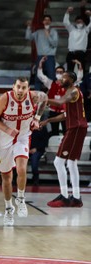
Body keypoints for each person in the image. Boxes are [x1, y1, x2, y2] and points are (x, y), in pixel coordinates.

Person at [0, 76, 47, 226]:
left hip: (23, 137)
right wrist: (8, 129)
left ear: (28, 89)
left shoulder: (34, 96)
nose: (21, 90)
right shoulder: (4, 99)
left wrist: (37, 118)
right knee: (6, 178)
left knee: (22, 169)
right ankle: (9, 209)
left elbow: (45, 98)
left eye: (24, 87)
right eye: (18, 87)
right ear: (13, 87)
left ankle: (21, 199)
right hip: (5, 140)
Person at [40, 71, 88, 208]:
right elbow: (66, 114)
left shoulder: (73, 92)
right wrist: (49, 119)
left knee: (58, 162)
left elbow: (60, 101)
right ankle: (76, 198)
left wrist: (43, 99)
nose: (61, 78)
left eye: (64, 76)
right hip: (78, 128)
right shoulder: (72, 93)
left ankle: (65, 196)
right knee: (71, 163)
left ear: (71, 80)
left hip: (76, 129)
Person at [37, 57, 83, 136]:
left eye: (61, 72)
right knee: (54, 131)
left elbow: (78, 78)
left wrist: (80, 65)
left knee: (66, 130)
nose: (59, 74)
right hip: (53, 111)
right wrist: (40, 63)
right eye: (57, 72)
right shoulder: (50, 83)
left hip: (65, 111)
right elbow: (41, 76)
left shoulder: (72, 87)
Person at [25, 15, 58, 90]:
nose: (46, 21)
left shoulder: (54, 32)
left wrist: (48, 35)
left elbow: (54, 44)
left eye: (48, 20)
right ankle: (37, 94)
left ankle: (51, 94)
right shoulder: (39, 32)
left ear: (50, 22)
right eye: (45, 20)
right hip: (40, 56)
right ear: (43, 22)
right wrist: (29, 27)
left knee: (51, 76)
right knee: (38, 76)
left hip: (50, 56)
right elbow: (28, 37)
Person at [63, 7, 91, 72]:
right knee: (70, 71)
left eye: (81, 21)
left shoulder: (86, 30)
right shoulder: (71, 29)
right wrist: (67, 12)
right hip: (71, 53)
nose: (79, 23)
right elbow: (65, 22)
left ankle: (81, 82)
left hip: (81, 53)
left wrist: (90, 15)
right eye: (78, 22)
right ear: (75, 22)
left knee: (81, 71)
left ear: (83, 22)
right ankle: (69, 82)